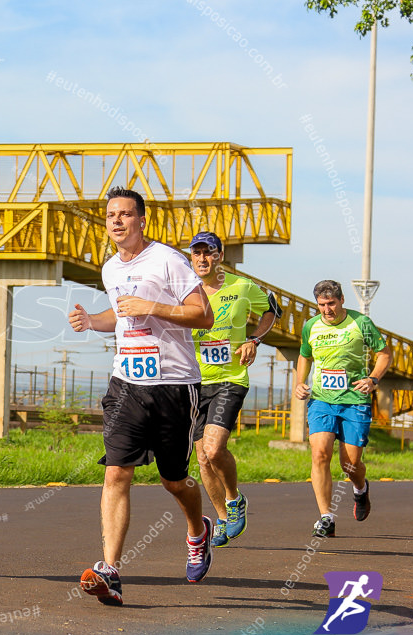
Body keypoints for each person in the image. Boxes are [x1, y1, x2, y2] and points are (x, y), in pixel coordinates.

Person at [68, 187, 215, 606]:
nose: (116, 221)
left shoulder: (168, 259)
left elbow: (202, 314)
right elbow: (119, 313)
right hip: (127, 384)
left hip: (173, 385)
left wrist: (152, 305)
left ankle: (197, 531)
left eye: (125, 215)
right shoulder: (110, 267)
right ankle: (110, 570)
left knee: (173, 480)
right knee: (117, 473)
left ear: (141, 220)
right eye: (111, 214)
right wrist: (90, 320)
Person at [189, 231, 282, 547]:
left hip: (230, 379)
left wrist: (254, 339)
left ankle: (234, 498)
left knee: (215, 450)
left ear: (219, 255)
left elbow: (272, 311)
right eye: (197, 253)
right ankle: (223, 518)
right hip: (195, 382)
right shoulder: (185, 291)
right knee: (202, 460)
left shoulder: (241, 286)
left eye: (208, 252)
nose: (202, 258)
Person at [293, 280, 392, 538]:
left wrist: (373, 379)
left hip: (354, 400)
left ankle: (360, 489)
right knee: (320, 454)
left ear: (342, 300)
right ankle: (326, 518)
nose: (327, 309)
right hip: (322, 400)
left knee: (350, 464)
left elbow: (384, 354)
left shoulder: (360, 323)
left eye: (331, 304)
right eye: (322, 305)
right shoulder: (311, 327)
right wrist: (300, 383)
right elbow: (305, 354)